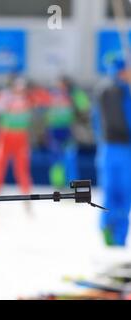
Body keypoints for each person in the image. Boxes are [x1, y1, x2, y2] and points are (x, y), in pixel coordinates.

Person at [92, 57, 131, 246]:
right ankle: (119, 236)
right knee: (123, 194)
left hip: (106, 148)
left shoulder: (101, 89)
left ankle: (107, 229)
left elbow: (96, 120)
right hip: (124, 149)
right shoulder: (124, 91)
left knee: (108, 192)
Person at [0, 75, 33, 197]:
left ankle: (26, 195)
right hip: (5, 135)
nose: (20, 88)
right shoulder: (4, 95)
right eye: (17, 85)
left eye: (22, 86)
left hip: (21, 135)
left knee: (22, 167)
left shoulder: (28, 97)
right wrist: (7, 101)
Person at [44, 76, 90, 188]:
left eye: (63, 84)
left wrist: (74, 91)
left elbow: (85, 105)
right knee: (56, 160)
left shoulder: (72, 94)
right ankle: (58, 186)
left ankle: (72, 185)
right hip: (54, 131)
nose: (60, 87)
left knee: (70, 158)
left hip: (68, 131)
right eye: (58, 84)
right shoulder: (51, 95)